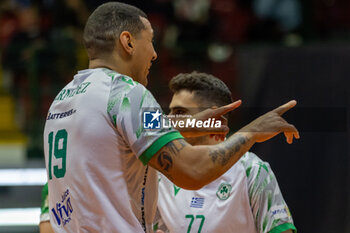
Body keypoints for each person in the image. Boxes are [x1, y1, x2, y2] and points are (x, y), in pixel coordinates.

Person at [43, 2, 299, 232]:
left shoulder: (62, 100)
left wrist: (191, 124)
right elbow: (191, 171)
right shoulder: (127, 93)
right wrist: (252, 131)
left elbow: (115, 132)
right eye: (150, 40)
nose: (154, 53)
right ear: (127, 42)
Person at [154, 72, 296, 233]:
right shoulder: (160, 172)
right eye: (169, 113)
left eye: (179, 112)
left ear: (213, 117)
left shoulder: (252, 170)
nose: (169, 120)